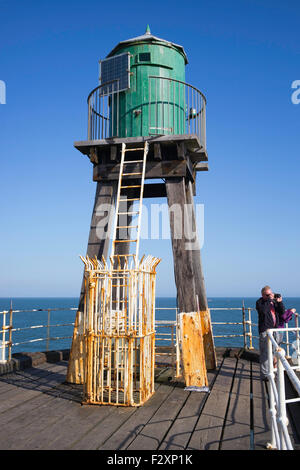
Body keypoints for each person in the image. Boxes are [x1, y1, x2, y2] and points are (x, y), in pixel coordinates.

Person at [256, 286, 285, 381]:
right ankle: (265, 375)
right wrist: (269, 300)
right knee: (265, 353)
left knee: (274, 352)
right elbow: (263, 311)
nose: (270, 296)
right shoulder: (260, 302)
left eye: (271, 294)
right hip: (265, 331)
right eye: (267, 295)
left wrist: (279, 302)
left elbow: (282, 312)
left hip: (274, 330)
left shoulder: (273, 302)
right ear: (263, 295)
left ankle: (273, 372)